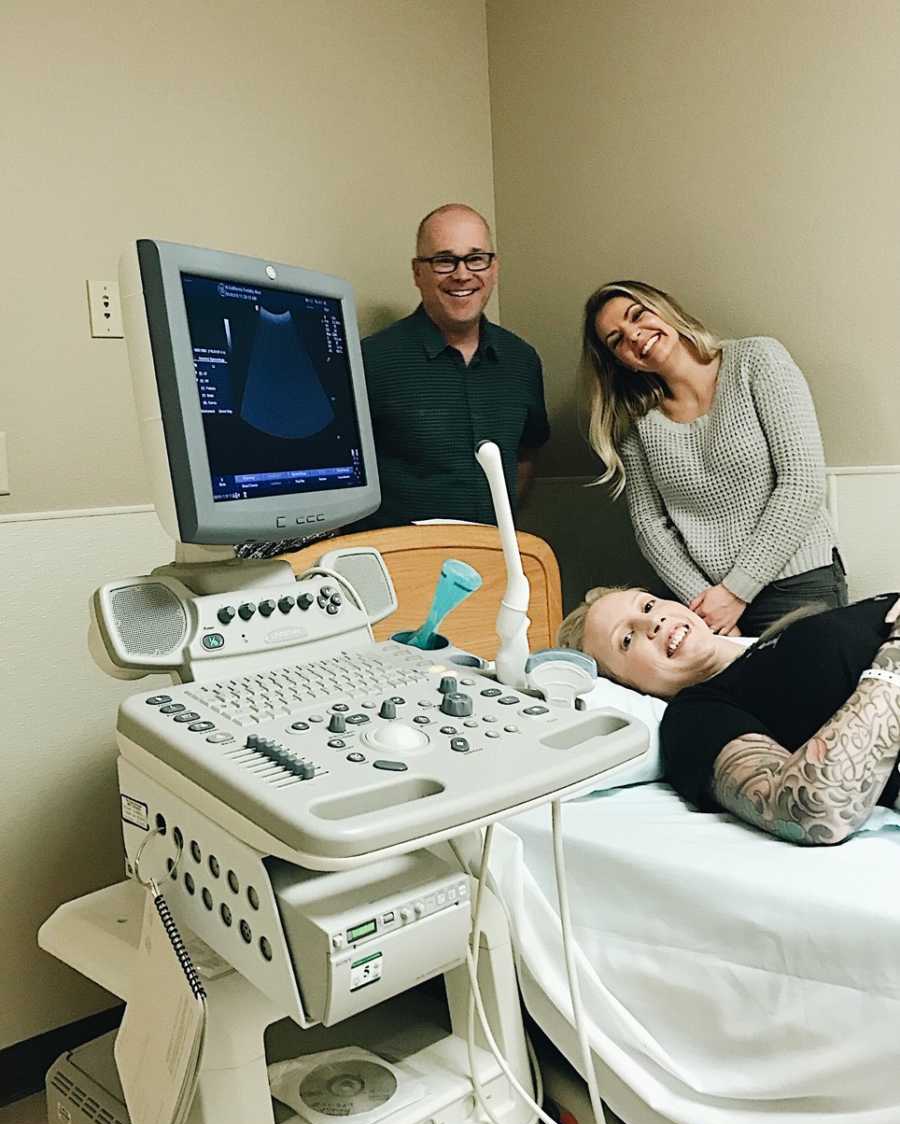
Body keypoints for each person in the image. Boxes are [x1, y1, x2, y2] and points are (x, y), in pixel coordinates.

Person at [582, 280, 846, 637]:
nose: (634, 335)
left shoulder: (757, 360)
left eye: (638, 315)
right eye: (616, 340)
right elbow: (650, 527)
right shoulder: (635, 422)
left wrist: (737, 589)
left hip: (799, 584)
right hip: (710, 606)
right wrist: (706, 608)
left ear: (665, 310)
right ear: (621, 362)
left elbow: (801, 483)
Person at [557, 585, 900, 846]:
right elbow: (812, 808)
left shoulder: (785, 634)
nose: (653, 621)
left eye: (648, 605)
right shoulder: (694, 715)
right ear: (624, 684)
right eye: (627, 639)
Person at [352, 203, 550, 529]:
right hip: (399, 564)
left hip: (495, 556)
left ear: (494, 268)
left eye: (475, 259)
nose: (462, 274)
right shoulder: (371, 361)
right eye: (444, 260)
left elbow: (526, 454)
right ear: (418, 272)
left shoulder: (522, 361)